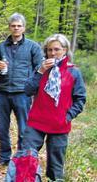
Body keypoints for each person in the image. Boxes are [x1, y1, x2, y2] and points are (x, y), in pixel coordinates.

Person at [22, 34, 86, 181]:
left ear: (65, 50)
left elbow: (80, 99)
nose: (52, 53)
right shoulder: (41, 69)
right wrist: (40, 72)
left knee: (55, 168)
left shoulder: (73, 72)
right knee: (26, 159)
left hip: (59, 125)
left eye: (56, 49)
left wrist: (68, 116)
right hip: (36, 123)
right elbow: (27, 90)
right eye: (49, 49)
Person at [0, 13, 43, 165]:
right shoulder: (1, 47)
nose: (16, 28)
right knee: (2, 127)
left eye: (19, 26)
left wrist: (33, 86)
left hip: (23, 93)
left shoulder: (33, 47)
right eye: (13, 26)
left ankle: (21, 157)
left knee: (24, 128)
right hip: (3, 92)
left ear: (24, 28)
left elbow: (40, 68)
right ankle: (4, 157)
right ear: (9, 28)